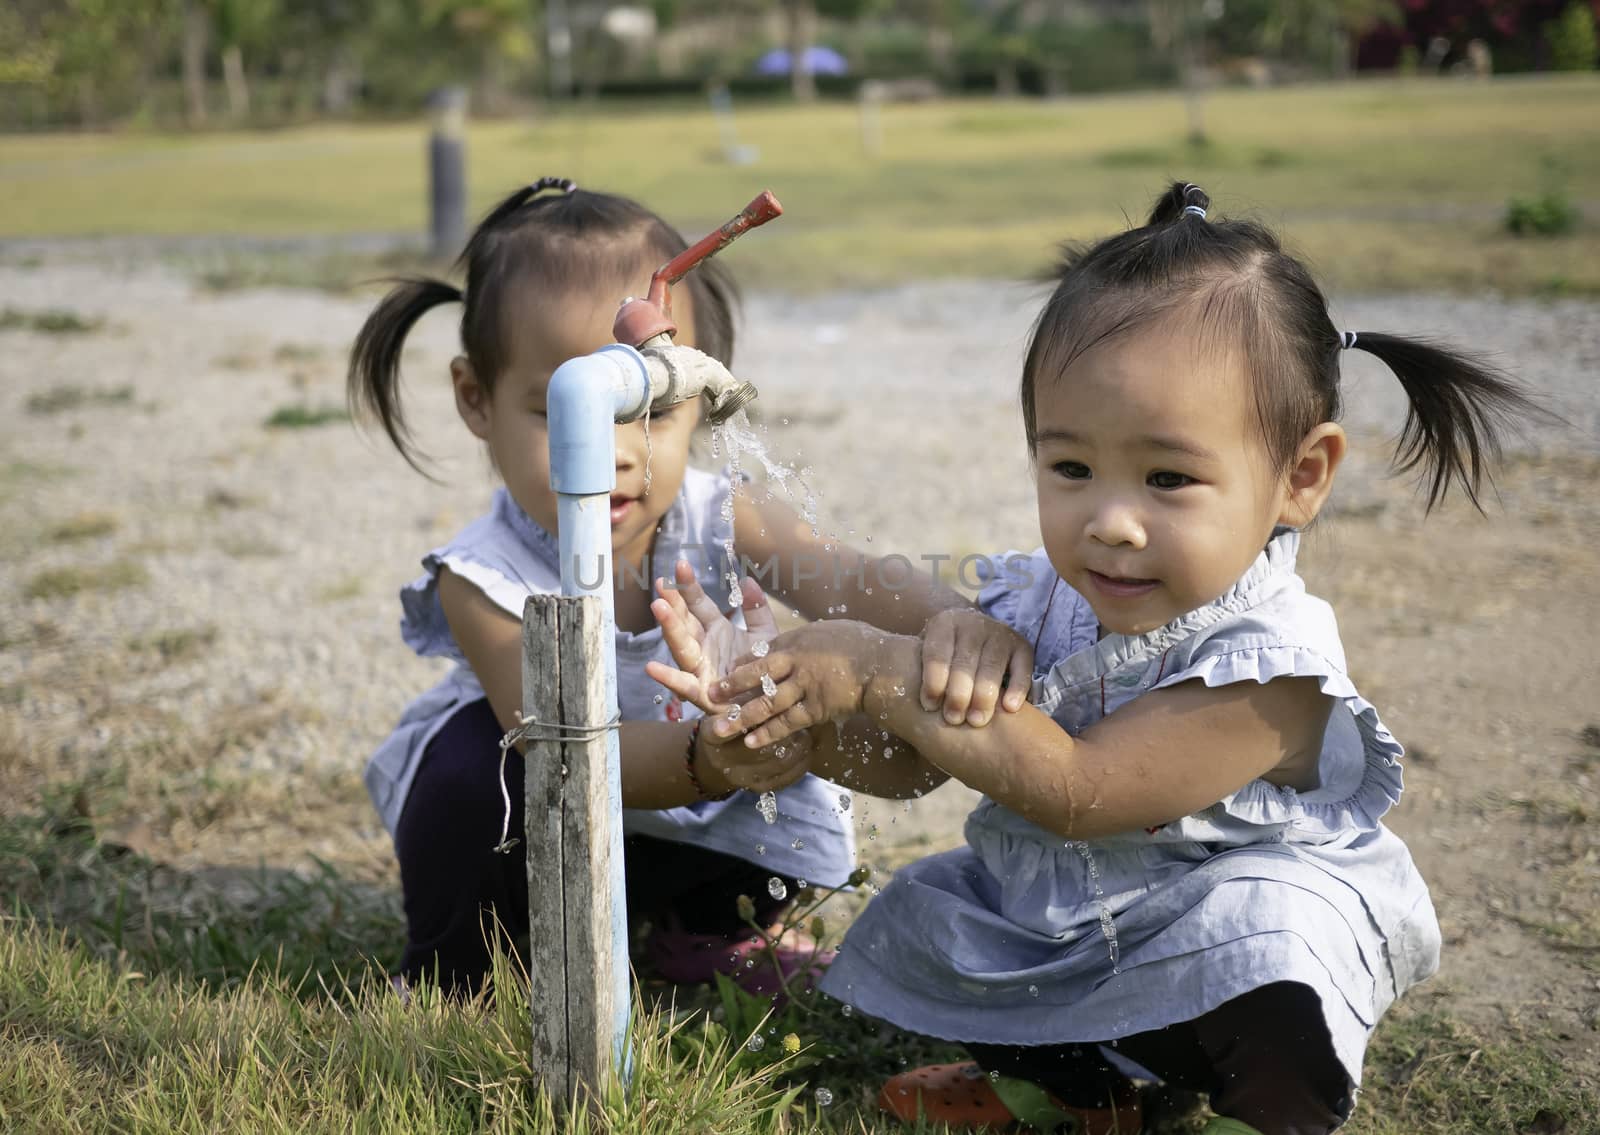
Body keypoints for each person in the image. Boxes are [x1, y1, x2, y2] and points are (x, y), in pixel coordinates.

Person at [654, 182, 1540, 1133]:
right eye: (1071, 468)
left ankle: (1266, 1117)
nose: (1112, 522)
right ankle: (1084, 1095)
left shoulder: (1271, 663)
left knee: (1273, 958)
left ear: (1301, 476)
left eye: (1168, 478)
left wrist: (873, 667)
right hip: (1078, 931)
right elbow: (909, 756)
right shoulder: (1039, 598)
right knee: (957, 920)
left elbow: (1080, 789)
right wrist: (787, 702)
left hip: (1224, 956)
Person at [348, 177, 1031, 998]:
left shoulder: (718, 514)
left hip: (695, 810)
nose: (614, 453)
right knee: (469, 774)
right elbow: (560, 745)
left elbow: (851, 578)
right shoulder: (483, 576)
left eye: (649, 411)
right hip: (550, 827)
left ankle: (713, 932)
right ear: (476, 399)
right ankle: (467, 967)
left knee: (785, 715)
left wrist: (958, 625)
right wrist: (709, 755)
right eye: (563, 411)